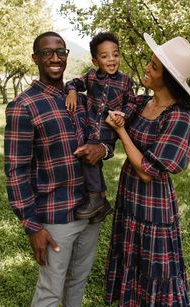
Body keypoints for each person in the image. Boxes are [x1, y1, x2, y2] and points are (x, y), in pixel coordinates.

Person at [4, 31, 110, 307]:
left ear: (66, 56)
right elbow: (16, 171)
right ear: (35, 58)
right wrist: (32, 225)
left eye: (60, 52)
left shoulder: (77, 97)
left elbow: (102, 135)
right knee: (50, 289)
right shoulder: (23, 106)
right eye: (47, 53)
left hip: (89, 210)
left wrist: (102, 149)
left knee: (78, 280)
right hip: (55, 216)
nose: (55, 58)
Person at [105, 33, 190, 307]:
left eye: (155, 67)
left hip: (154, 208)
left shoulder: (179, 118)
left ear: (168, 78)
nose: (147, 69)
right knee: (143, 268)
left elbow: (147, 170)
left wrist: (121, 132)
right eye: (150, 63)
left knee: (162, 272)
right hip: (130, 201)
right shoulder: (144, 104)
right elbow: (120, 115)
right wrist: (119, 120)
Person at [65, 31, 136, 223]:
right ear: (96, 61)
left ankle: (97, 197)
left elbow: (131, 103)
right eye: (105, 56)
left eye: (115, 54)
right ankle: (99, 204)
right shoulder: (90, 77)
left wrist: (124, 115)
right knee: (86, 160)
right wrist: (71, 91)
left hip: (106, 135)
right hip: (90, 130)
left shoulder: (126, 81)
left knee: (90, 158)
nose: (112, 59)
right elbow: (73, 82)